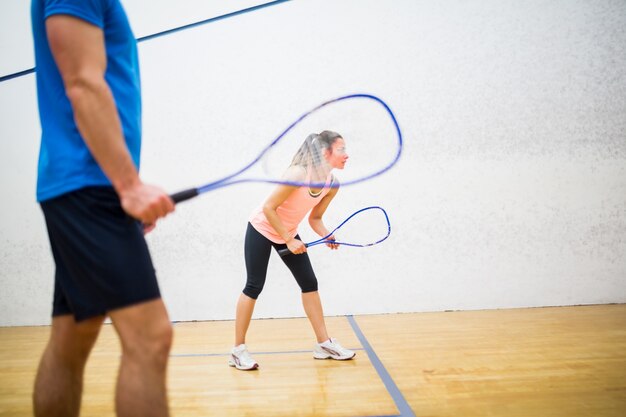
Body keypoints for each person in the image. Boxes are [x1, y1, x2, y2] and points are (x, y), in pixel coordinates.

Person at [31, 1, 175, 416]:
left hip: (88, 184)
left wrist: (123, 186)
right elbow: (81, 80)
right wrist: (127, 185)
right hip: (88, 184)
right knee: (151, 338)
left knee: (73, 334)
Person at [230, 130, 356, 371]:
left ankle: (324, 344)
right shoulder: (298, 174)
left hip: (286, 231)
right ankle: (237, 351)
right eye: (341, 150)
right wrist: (288, 239)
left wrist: (326, 234)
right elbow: (269, 208)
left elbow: (315, 218)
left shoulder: (332, 184)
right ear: (324, 152)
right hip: (262, 227)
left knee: (309, 283)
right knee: (254, 285)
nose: (346, 155)